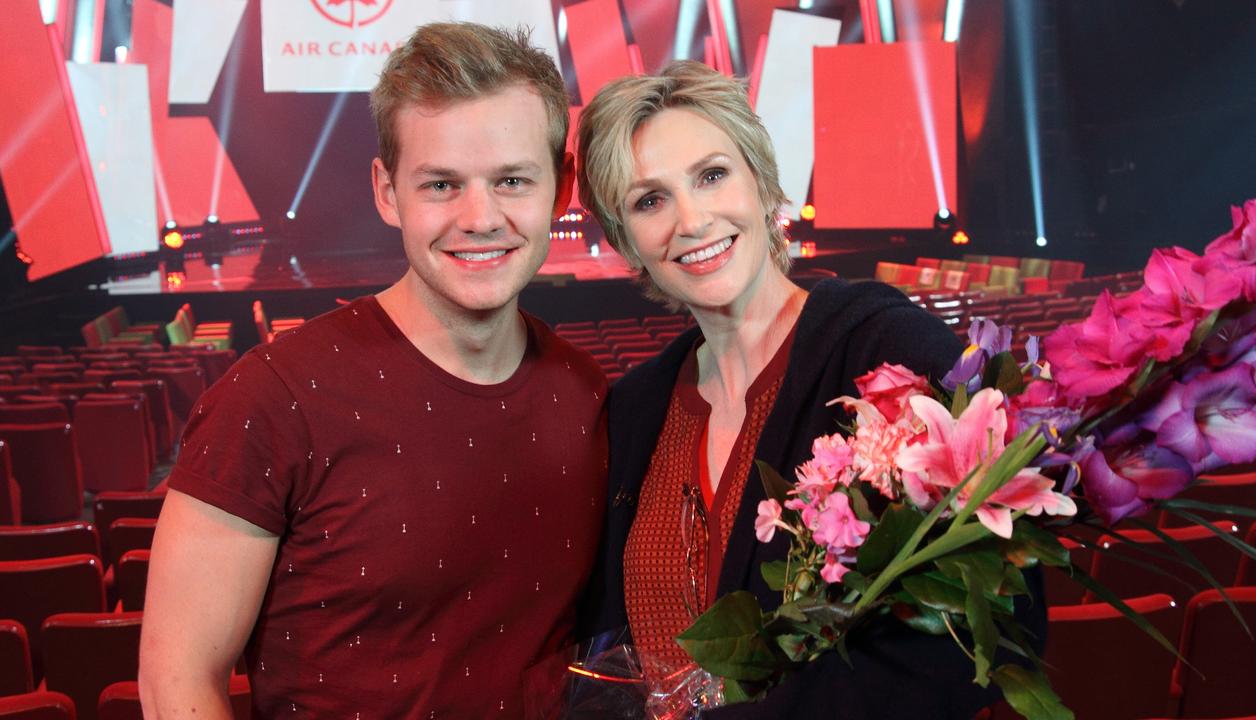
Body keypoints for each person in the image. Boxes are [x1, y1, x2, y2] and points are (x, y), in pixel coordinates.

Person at [139, 23, 608, 718]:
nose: (480, 217)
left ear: (562, 188)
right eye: (442, 184)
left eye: (512, 180)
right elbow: (176, 683)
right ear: (388, 192)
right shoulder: (272, 399)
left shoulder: (587, 394)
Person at [575, 61, 1044, 716]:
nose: (691, 219)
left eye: (712, 175)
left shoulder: (884, 350)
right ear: (627, 239)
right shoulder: (635, 409)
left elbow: (999, 605)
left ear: (764, 185)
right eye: (648, 200)